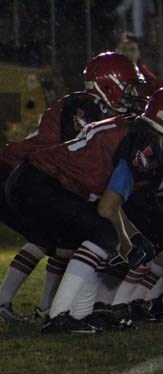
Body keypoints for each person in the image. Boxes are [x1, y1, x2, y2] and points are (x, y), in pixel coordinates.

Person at [7, 86, 163, 334]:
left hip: (35, 180)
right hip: (42, 183)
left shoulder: (136, 128)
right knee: (105, 236)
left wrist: (134, 235)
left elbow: (111, 202)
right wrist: (126, 245)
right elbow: (107, 208)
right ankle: (60, 315)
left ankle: (80, 313)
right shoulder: (146, 141)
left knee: (99, 236)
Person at [0, 52, 145, 322]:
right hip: (14, 172)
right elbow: (74, 162)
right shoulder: (84, 109)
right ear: (108, 85)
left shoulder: (93, 109)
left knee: (60, 237)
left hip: (27, 174)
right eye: (128, 87)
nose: (132, 94)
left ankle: (39, 306)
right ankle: (42, 307)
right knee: (58, 236)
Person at [116, 32, 161, 96]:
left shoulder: (150, 81)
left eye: (132, 49)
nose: (128, 53)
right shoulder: (108, 77)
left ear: (139, 53)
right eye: (124, 49)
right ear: (116, 52)